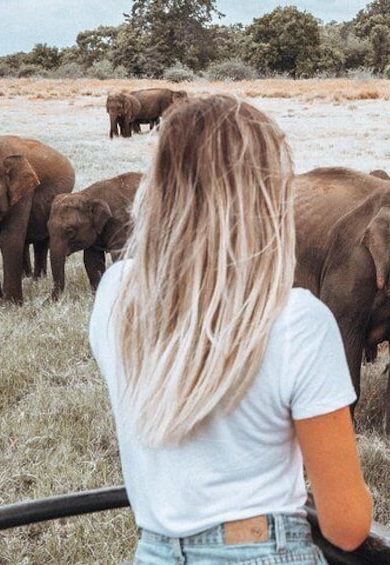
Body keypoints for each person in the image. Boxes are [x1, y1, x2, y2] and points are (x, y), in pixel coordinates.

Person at [89, 94, 373, 564]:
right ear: (267, 196)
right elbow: (346, 525)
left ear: (158, 188)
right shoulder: (296, 321)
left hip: (154, 550)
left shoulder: (117, 293)